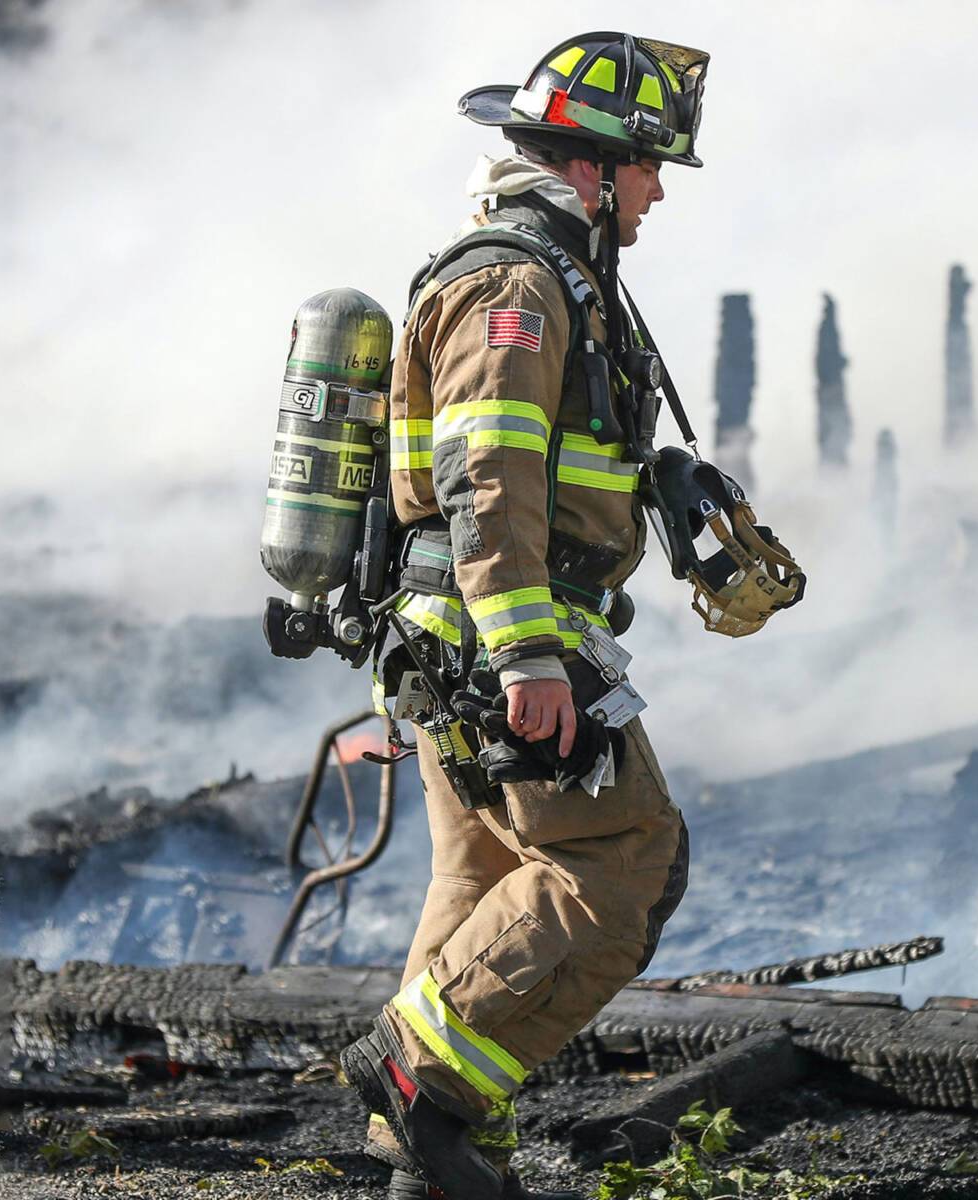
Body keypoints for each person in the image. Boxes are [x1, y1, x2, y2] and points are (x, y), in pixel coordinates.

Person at [340, 32, 710, 1200]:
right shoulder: (517, 286)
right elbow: (488, 477)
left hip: (463, 636)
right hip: (503, 635)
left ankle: (433, 1160)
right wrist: (528, 656)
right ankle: (420, 1077)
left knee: (490, 874)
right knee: (625, 859)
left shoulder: (554, 273)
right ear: (594, 167)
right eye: (650, 168)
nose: (657, 193)